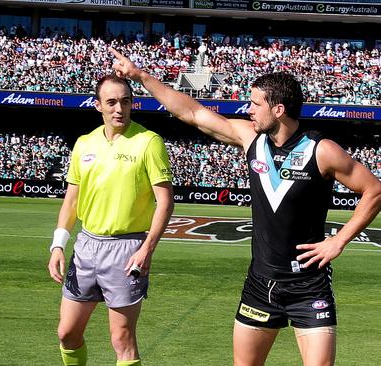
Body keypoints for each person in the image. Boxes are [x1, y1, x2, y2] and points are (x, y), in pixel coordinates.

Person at [110, 47, 381, 366]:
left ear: (278, 109)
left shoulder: (322, 151)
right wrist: (140, 76)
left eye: (255, 104)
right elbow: (193, 113)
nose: (248, 109)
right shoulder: (251, 139)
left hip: (309, 286)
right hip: (260, 284)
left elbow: (374, 190)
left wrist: (339, 240)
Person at [47, 74, 175, 366]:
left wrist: (146, 249)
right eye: (112, 102)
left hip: (127, 248)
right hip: (86, 247)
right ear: (98, 106)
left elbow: (165, 202)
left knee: (122, 339)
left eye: (125, 101)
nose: (119, 108)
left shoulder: (148, 142)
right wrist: (57, 245)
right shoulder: (84, 143)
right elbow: (72, 200)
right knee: (67, 333)